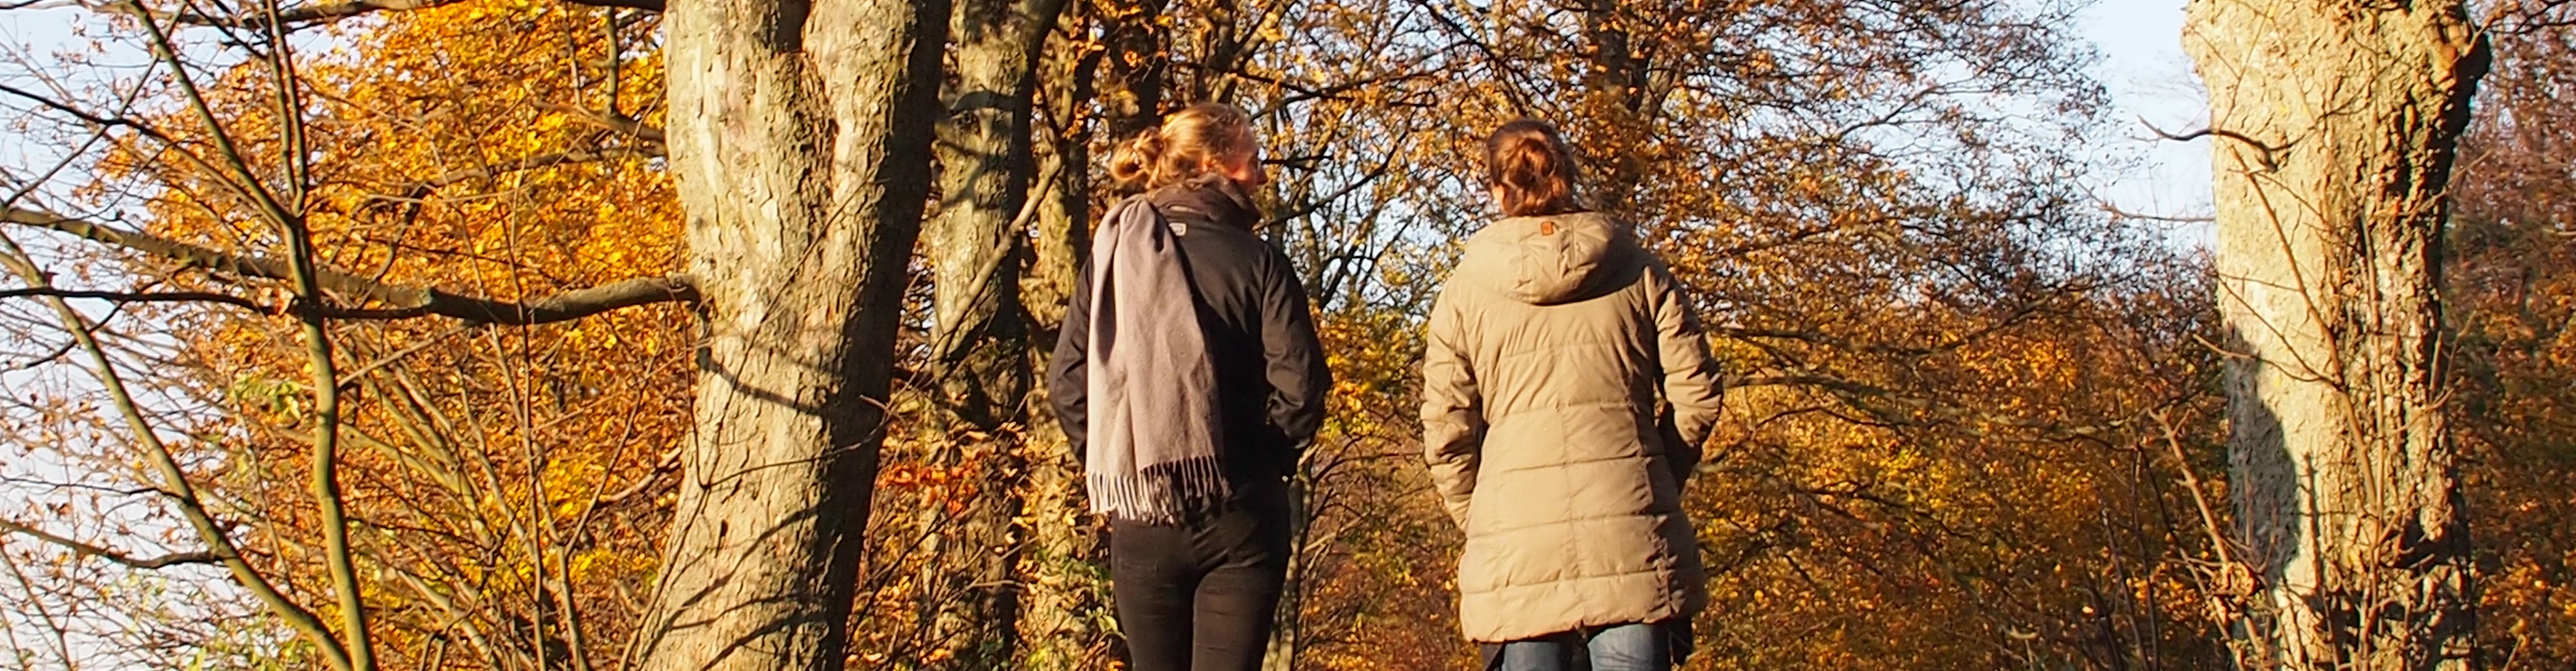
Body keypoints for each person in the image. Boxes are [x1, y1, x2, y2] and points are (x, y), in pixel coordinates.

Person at [1418, 119, 1724, 671]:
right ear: (1565, 177)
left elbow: (1446, 431)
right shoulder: (1639, 271)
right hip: (1630, 526)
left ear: (1498, 190)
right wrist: (1654, 475)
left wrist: (1481, 513)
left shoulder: (1464, 292)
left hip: (1515, 541)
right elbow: (1697, 393)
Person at [1046, 102, 1330, 671]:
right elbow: (1300, 386)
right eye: (1252, 161)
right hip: (1241, 513)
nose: (1262, 174)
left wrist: (1123, 459)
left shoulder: (1110, 257)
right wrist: (1260, 464)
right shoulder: (1260, 262)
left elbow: (1067, 383)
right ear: (1213, 164)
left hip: (1142, 513)